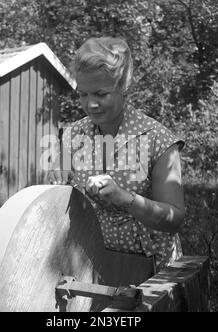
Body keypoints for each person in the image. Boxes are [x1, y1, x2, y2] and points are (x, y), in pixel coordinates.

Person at [48, 37, 185, 272]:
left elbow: (175, 219)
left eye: (101, 94)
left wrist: (125, 198)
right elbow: (62, 190)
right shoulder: (74, 135)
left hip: (152, 267)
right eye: (83, 94)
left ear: (124, 88)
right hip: (93, 264)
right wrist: (58, 184)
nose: (91, 104)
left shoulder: (156, 139)